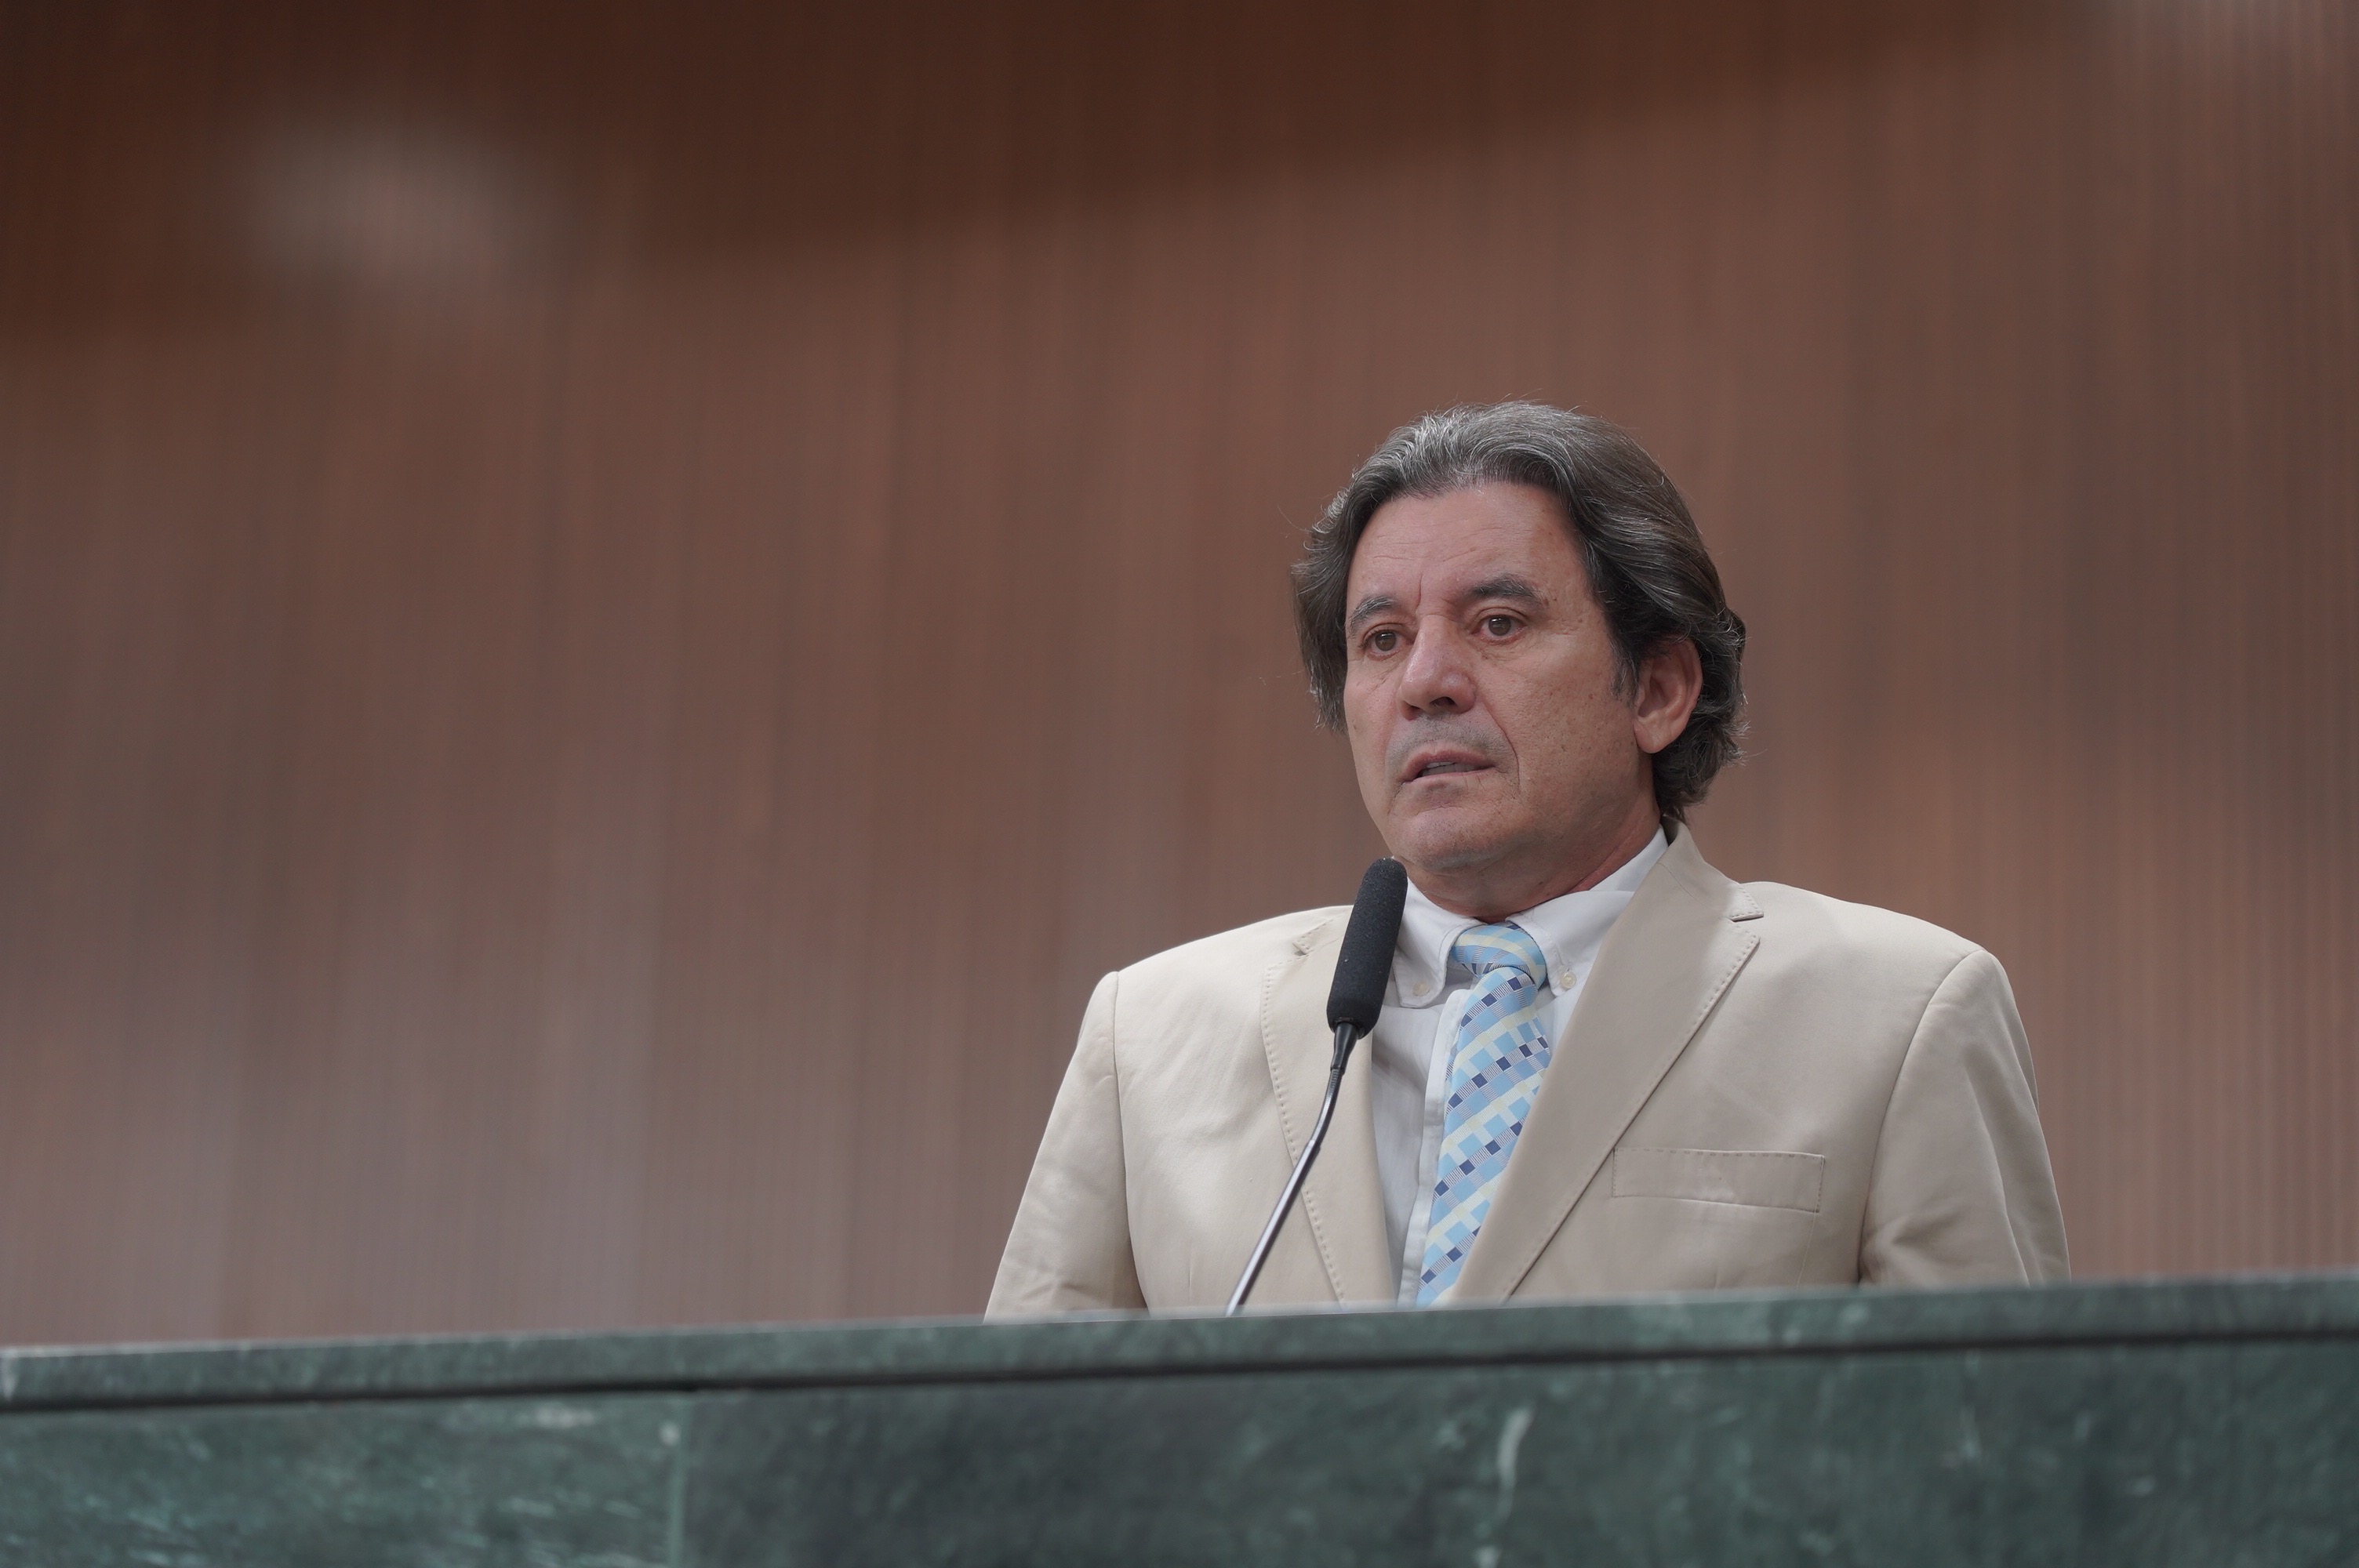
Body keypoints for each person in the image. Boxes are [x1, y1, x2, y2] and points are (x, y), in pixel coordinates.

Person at [988, 401, 2066, 1314]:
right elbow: (1020, 1454)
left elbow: (1993, 1452)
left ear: (1657, 689)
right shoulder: (1151, 1035)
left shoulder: (1901, 1015)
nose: (1426, 682)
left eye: (1497, 623)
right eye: (1381, 640)